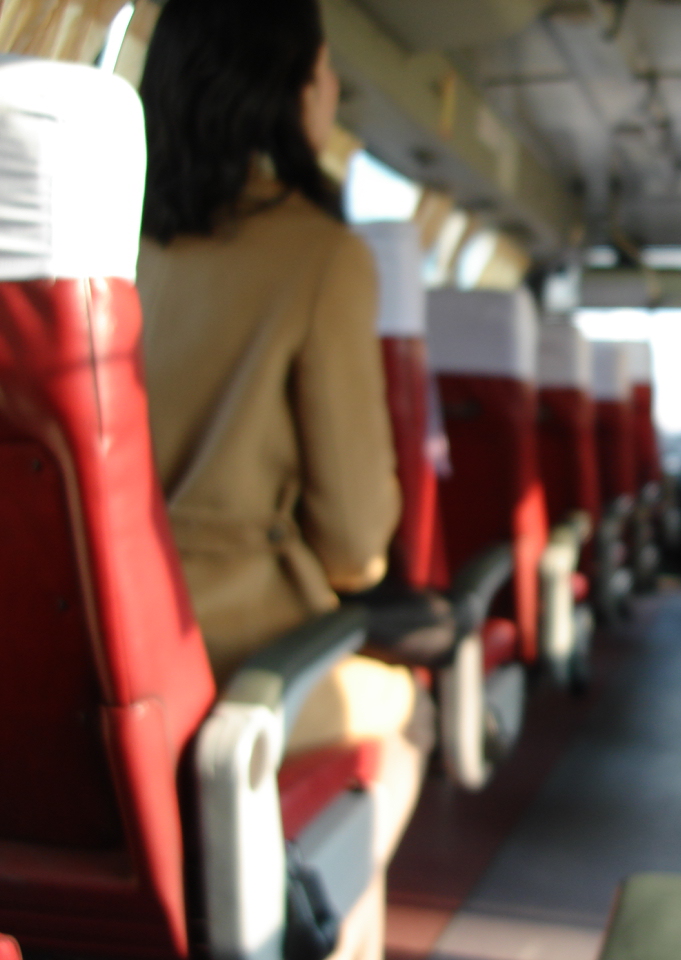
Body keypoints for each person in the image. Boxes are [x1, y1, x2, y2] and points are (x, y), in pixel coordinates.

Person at [135, 0, 428, 764]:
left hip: (94, 640)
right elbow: (356, 546)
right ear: (290, 92)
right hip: (231, 657)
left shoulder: (118, 247)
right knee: (404, 716)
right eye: (326, 73)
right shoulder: (324, 258)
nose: (332, 93)